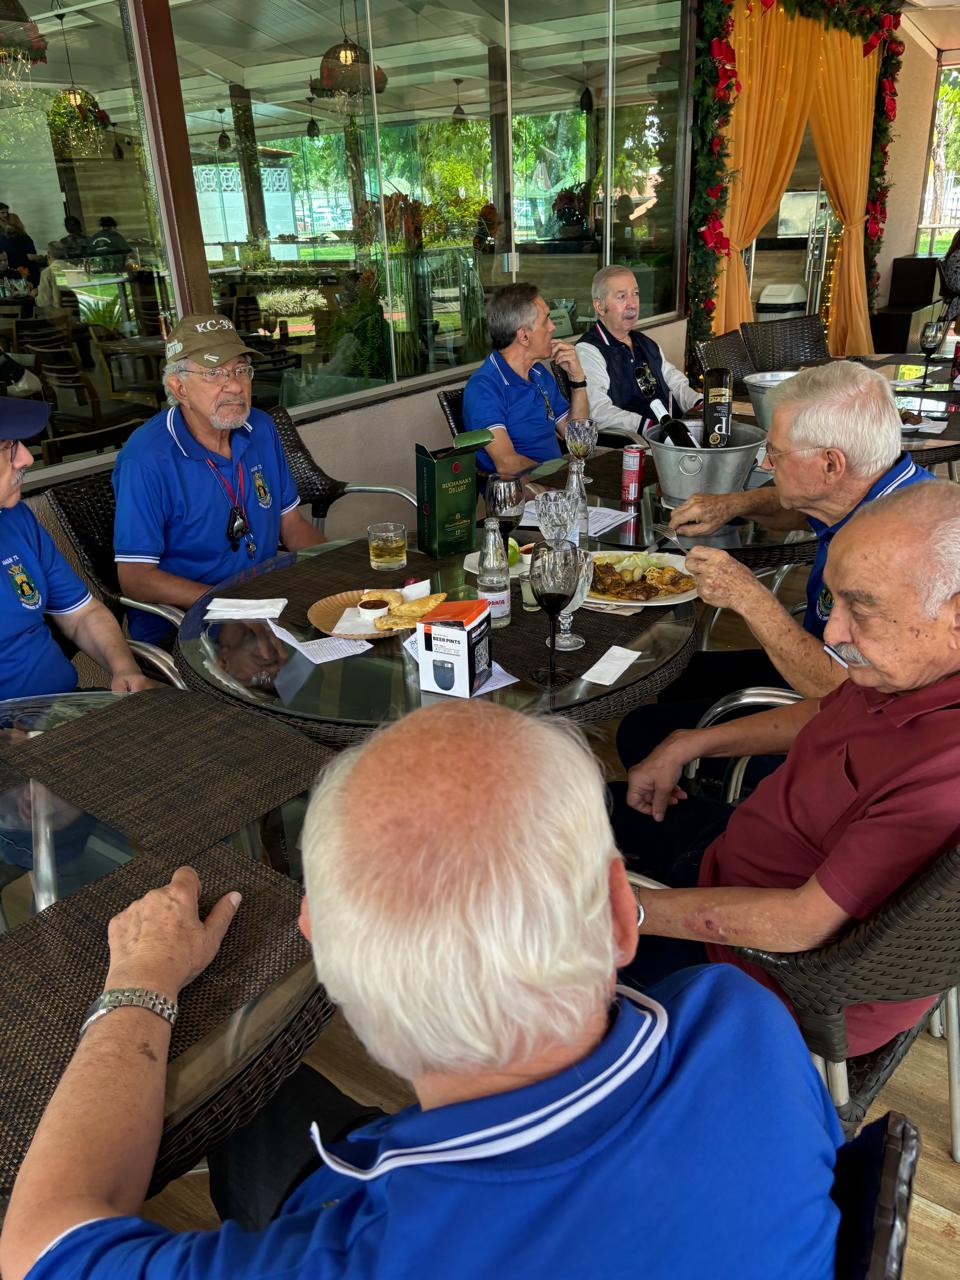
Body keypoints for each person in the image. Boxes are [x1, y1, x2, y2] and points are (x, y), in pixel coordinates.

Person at [0, 701, 843, 1280]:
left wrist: (140, 983)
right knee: (270, 1113)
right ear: (623, 915)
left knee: (258, 1111)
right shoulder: (743, 1020)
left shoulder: (358, 1256)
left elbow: (37, 1247)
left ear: (323, 957)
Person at [611, 479, 960, 1058]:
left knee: (518, 952)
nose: (835, 634)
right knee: (582, 814)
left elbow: (802, 923)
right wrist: (690, 743)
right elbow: (828, 710)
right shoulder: (912, 668)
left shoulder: (944, 773)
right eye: (835, 602)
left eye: (861, 609)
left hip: (770, 977)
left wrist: (623, 911)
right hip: (736, 860)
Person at [615, 360, 930, 770]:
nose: (765, 464)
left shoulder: (894, 553)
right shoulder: (880, 488)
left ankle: (739, 805)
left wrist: (747, 595)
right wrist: (733, 504)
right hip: (826, 667)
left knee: (640, 731)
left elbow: (840, 692)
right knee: (681, 672)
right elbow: (799, 507)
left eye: (776, 453)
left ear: (830, 464)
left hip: (854, 740)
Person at [112, 314, 325, 645]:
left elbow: (291, 523)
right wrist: (234, 606)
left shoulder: (261, 427)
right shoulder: (146, 459)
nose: (236, 386)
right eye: (214, 373)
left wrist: (337, 572)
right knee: (291, 665)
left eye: (241, 370)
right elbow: (136, 579)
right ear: (179, 387)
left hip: (264, 601)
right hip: (189, 621)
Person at [0, 398, 153, 699]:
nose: (26, 459)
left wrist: (124, 668)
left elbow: (82, 613)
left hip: (65, 704)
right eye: (7, 447)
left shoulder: (16, 517)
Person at [463, 282, 590, 475]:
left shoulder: (538, 373)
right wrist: (560, 477)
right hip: (526, 489)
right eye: (546, 320)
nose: (552, 326)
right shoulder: (484, 388)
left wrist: (577, 380)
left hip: (557, 481)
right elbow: (507, 463)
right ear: (524, 337)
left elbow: (578, 440)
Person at [577, 265, 701, 438]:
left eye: (635, 293)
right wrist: (649, 427)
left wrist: (698, 402)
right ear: (599, 306)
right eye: (622, 296)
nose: (633, 304)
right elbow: (598, 411)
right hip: (636, 443)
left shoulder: (644, 342)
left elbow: (675, 381)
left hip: (675, 433)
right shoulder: (589, 350)